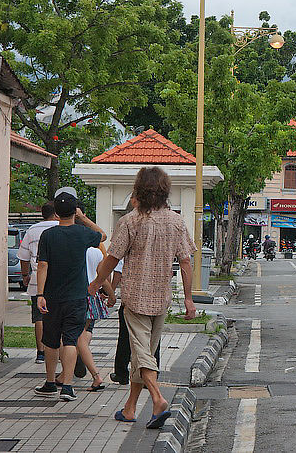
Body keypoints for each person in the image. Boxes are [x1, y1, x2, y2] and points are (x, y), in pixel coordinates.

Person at [89, 166, 196, 429]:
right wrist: (189, 299)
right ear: (164, 190)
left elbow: (112, 259)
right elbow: (185, 262)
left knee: (142, 355)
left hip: (135, 297)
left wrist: (96, 283)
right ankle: (130, 408)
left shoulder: (130, 221)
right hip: (161, 297)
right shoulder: (177, 221)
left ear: (138, 190)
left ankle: (158, 399)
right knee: (143, 354)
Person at [34, 187, 106, 402]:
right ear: (75, 211)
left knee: (51, 341)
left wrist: (40, 294)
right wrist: (83, 219)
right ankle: (67, 386)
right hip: (77, 297)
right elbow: (102, 235)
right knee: (71, 341)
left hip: (52, 296)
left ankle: (49, 383)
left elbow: (43, 265)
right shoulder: (83, 233)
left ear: (55, 213)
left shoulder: (48, 235)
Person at [17, 202, 59, 364]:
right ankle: (59, 351)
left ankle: (41, 353)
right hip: (59, 281)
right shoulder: (62, 228)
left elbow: (24, 257)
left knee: (39, 317)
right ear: (56, 213)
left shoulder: (32, 230)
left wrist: (25, 275)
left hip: (36, 281)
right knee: (58, 317)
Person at [110, 256, 160, 386]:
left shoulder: (130, 249)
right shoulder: (161, 250)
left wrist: (111, 291)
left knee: (126, 338)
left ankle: (122, 373)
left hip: (133, 301)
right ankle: (152, 375)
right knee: (153, 340)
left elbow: (118, 271)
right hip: (155, 301)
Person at [75, 245, 116, 391]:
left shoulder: (71, 248)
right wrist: (111, 295)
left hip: (72, 296)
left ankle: (95, 375)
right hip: (91, 295)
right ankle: (71, 366)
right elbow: (102, 277)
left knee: (74, 338)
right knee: (85, 331)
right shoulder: (96, 252)